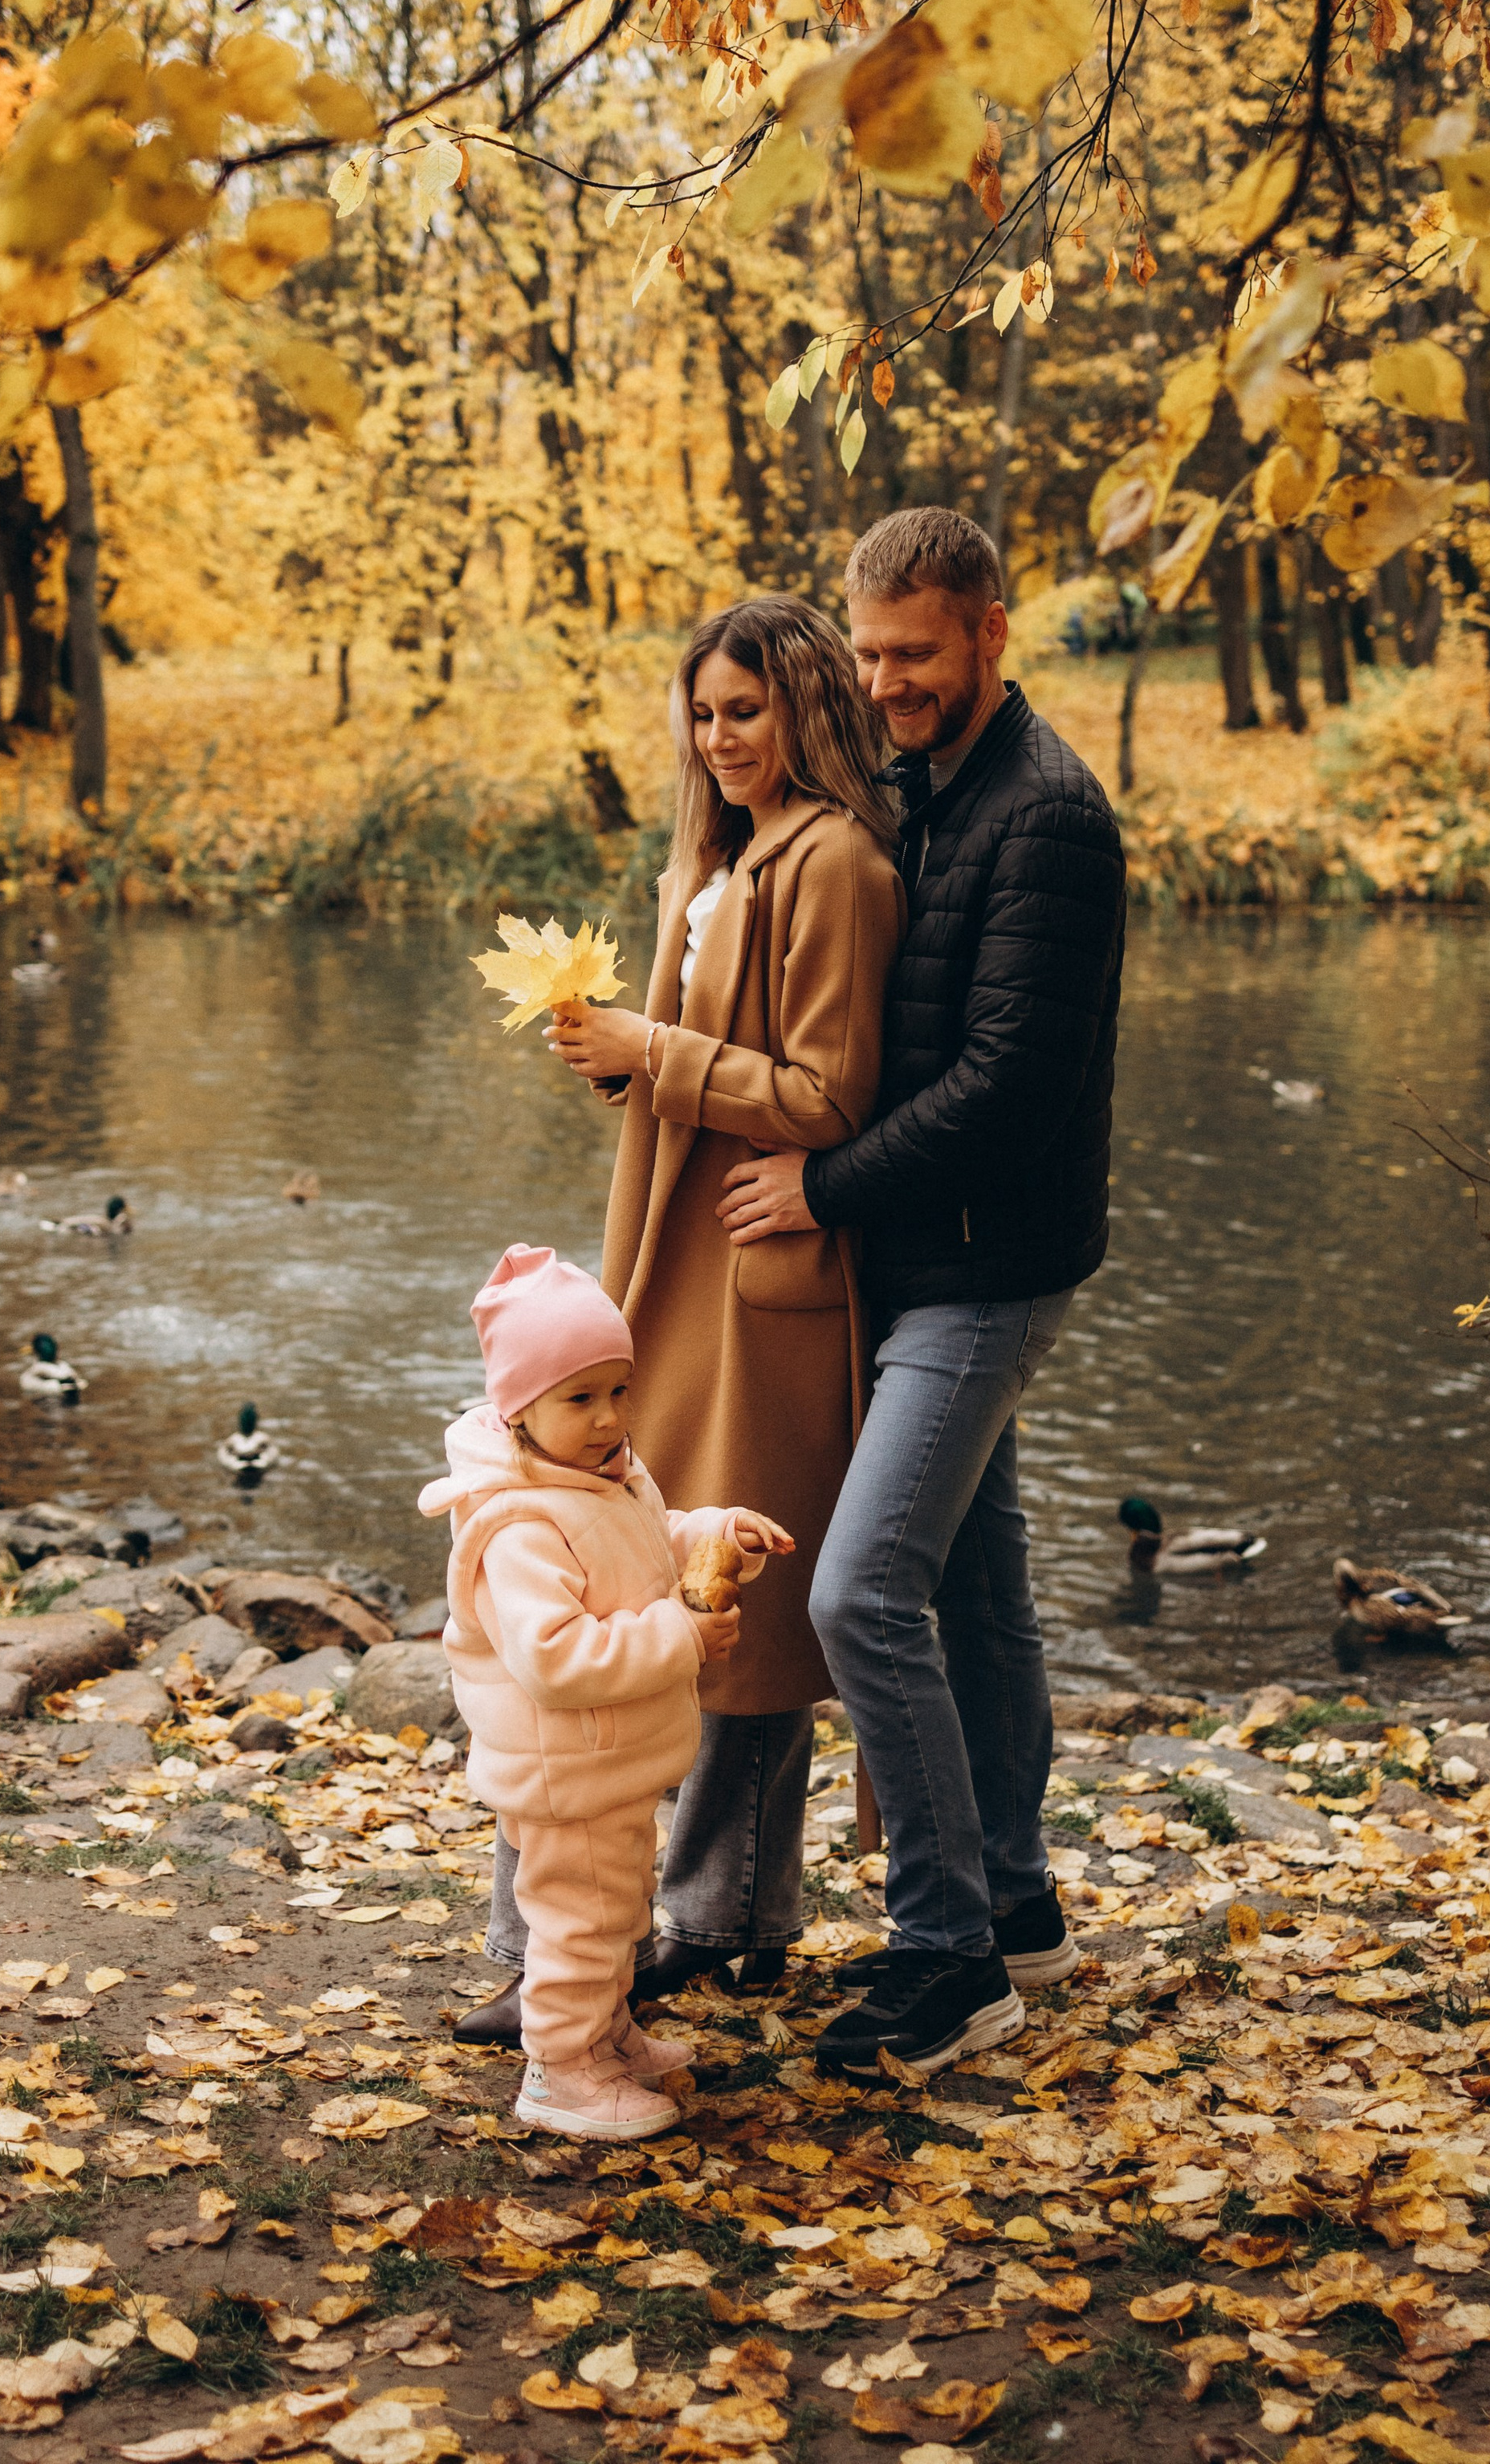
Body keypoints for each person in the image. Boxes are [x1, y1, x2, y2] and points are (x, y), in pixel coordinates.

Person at [718, 509, 1126, 2080]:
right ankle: (1018, 1911)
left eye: (915, 654)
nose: (885, 681)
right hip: (918, 1262)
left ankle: (943, 1959)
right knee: (970, 1595)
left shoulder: (1048, 817)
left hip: (987, 1265)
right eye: (868, 653)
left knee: (856, 1593)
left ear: (988, 635)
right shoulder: (908, 791)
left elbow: (1006, 1086)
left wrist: (820, 1187)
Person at [465, 597, 902, 2040]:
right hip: (668, 1253)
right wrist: (614, 1059)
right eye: (703, 713)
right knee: (640, 1560)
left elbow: (832, 1092)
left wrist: (656, 1051)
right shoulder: (707, 856)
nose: (718, 738)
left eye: (747, 711)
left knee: (738, 1581)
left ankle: (726, 1914)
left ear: (807, 712)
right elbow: (699, 1060)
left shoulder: (833, 860)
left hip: (758, 1279)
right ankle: (657, 1916)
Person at [419, 1242, 792, 2139]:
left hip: (610, 1760)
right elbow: (554, 1657)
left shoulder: (602, 1477)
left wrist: (717, 1533)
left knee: (616, 1911)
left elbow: (651, 1541)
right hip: (564, 1767)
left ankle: (607, 2035)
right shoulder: (518, 1527)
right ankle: (560, 2073)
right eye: (578, 1398)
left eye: (619, 1390)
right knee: (579, 1926)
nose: (607, 1417)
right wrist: (680, 1636)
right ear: (518, 1407)